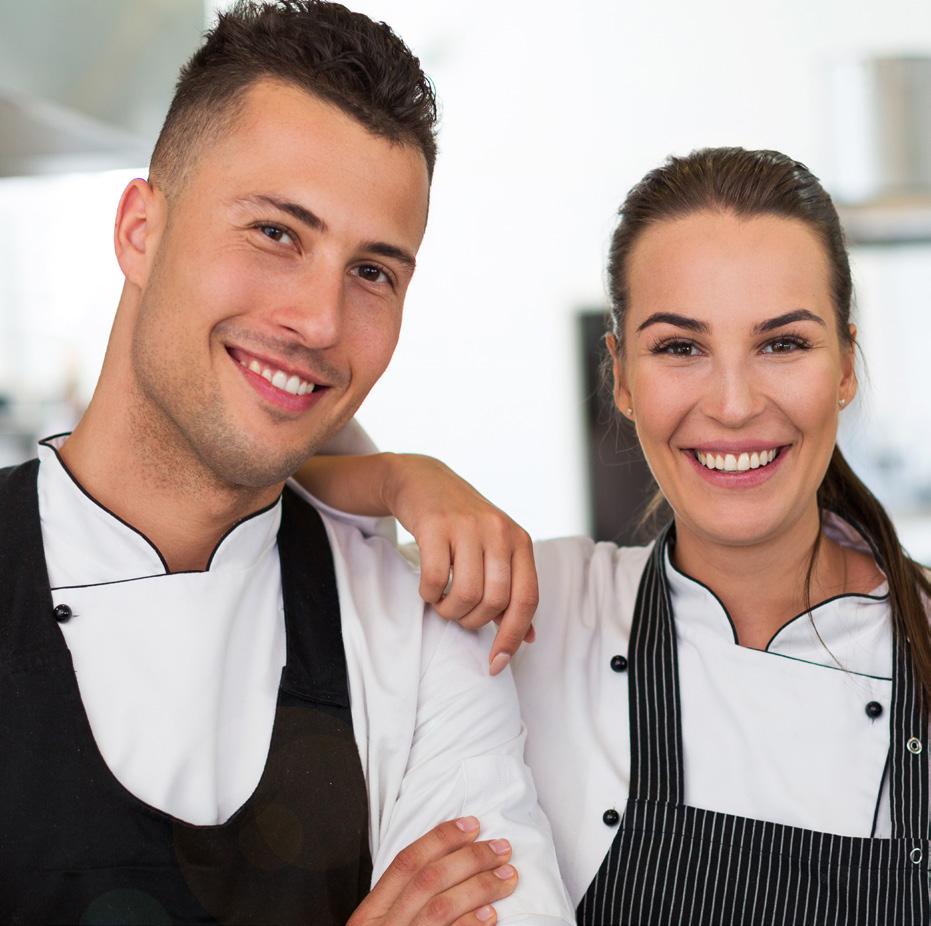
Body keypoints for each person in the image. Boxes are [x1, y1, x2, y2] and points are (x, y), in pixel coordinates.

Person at [0, 3, 575, 924]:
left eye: (373, 271)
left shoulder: (422, 639)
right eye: (275, 232)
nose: (319, 322)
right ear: (140, 230)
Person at [297, 147, 931, 924]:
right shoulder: (537, 605)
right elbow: (260, 463)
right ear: (622, 376)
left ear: (843, 367)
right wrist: (400, 478)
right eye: (679, 348)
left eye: (781, 344)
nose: (732, 405)